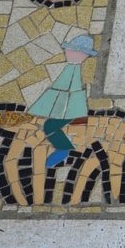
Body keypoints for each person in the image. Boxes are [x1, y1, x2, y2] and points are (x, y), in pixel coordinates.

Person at [27, 35, 97, 168]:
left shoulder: (73, 71)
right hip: (69, 107)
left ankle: (62, 149)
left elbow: (63, 94)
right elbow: (56, 92)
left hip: (72, 110)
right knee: (48, 124)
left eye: (72, 50)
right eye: (68, 50)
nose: (67, 52)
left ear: (83, 55)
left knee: (50, 125)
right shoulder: (70, 68)